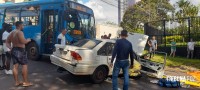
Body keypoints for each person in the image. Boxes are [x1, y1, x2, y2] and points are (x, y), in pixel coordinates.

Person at [6, 21, 32, 87]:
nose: (23, 26)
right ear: (19, 25)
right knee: (24, 66)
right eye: (23, 25)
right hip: (20, 50)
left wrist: (10, 48)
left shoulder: (12, 32)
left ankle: (17, 82)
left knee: (15, 67)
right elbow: (23, 41)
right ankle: (26, 82)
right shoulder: (20, 32)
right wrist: (28, 40)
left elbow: (7, 42)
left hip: (14, 50)